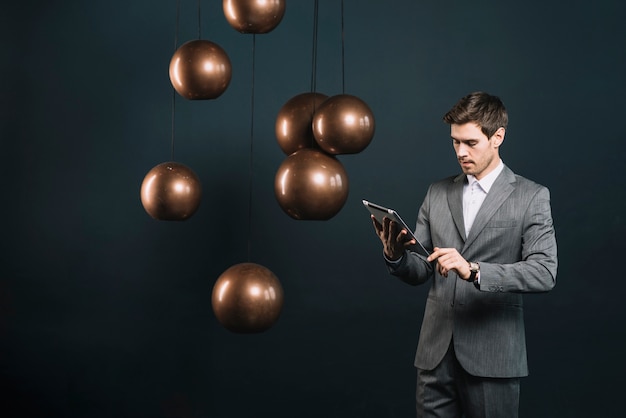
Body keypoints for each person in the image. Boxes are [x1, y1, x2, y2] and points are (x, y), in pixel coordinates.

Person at [371, 91, 557, 417]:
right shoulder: (437, 192)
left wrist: (474, 270)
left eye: (470, 142)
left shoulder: (531, 196)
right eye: (455, 142)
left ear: (498, 136)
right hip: (434, 357)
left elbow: (544, 272)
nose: (460, 152)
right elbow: (422, 268)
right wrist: (396, 256)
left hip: (493, 358)